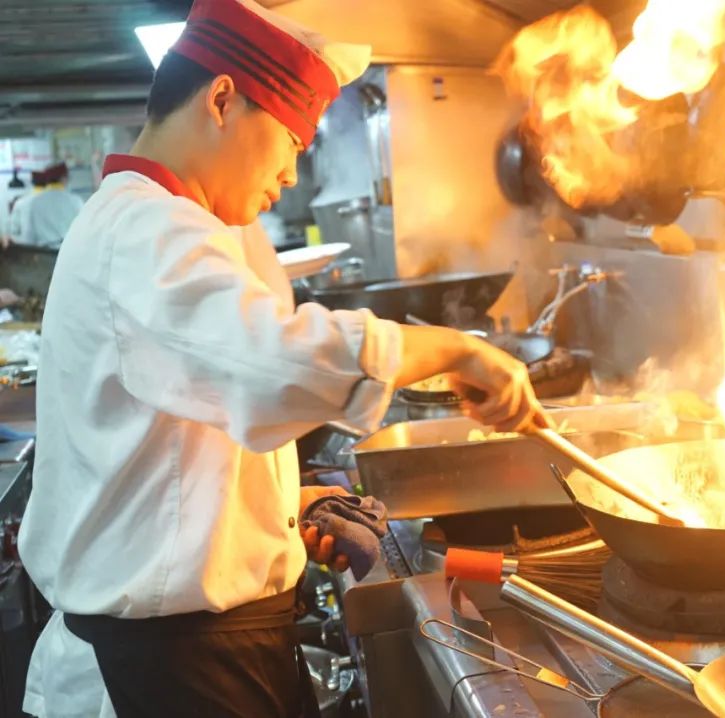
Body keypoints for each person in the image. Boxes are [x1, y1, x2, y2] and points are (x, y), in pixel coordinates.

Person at [18, 1, 549, 716]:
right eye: (293, 141)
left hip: (207, 651)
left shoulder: (180, 221)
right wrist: (459, 350)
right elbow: (274, 362)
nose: (294, 173)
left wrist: (273, 507)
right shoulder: (145, 229)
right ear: (223, 99)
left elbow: (178, 430)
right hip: (162, 672)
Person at [15, 162, 84, 249]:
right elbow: (84, 232)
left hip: (45, 255)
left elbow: (29, 236)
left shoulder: (34, 203)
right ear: (63, 178)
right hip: (69, 254)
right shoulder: (76, 201)